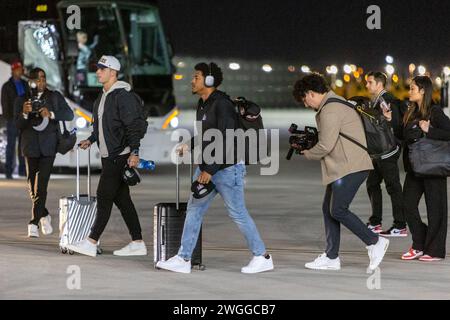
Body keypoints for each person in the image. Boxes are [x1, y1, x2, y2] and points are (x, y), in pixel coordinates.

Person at [156, 62, 274, 274]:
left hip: (227, 169)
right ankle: (183, 259)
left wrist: (209, 171)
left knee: (237, 213)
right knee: (194, 209)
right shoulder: (204, 104)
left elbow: (227, 139)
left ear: (209, 81)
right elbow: (207, 134)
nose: (192, 81)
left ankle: (262, 256)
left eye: (197, 77)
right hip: (209, 167)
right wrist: (189, 145)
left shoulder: (222, 104)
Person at [292, 73, 389, 272]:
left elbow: (326, 145)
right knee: (328, 209)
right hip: (342, 166)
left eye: (304, 99)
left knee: (337, 209)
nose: (306, 104)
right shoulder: (335, 103)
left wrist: (308, 153)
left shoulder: (330, 109)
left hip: (350, 167)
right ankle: (331, 257)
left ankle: (375, 242)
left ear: (311, 93)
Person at [68, 55, 147, 257]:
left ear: (113, 72)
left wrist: (135, 152)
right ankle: (138, 242)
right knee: (123, 200)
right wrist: (91, 139)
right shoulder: (102, 97)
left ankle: (91, 241)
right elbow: (102, 127)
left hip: (118, 155)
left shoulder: (123, 96)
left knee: (104, 197)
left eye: (102, 69)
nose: (98, 72)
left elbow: (133, 127)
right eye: (98, 69)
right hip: (108, 155)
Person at [14, 67, 74, 237]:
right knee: (31, 187)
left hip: (48, 147)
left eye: (43, 78)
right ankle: (44, 214)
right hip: (30, 147)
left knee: (41, 186)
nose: (41, 82)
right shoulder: (21, 100)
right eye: (38, 79)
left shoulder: (54, 96)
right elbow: (17, 125)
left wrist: (52, 113)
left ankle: (33, 222)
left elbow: (69, 115)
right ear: (30, 81)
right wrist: (25, 114)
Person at [400, 75, 450, 262]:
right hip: (415, 168)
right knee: (406, 205)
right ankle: (420, 243)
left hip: (433, 167)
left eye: (413, 88)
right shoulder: (410, 111)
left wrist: (431, 130)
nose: (409, 91)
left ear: (423, 91)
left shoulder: (435, 112)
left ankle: (435, 250)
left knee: (435, 209)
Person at [365, 71, 407, 236]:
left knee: (393, 187)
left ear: (379, 84)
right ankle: (376, 222)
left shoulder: (386, 100)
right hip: (379, 152)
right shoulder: (376, 100)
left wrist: (388, 119)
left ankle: (400, 225)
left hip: (388, 152)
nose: (367, 85)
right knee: (372, 184)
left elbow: (394, 123)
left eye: (369, 82)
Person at [1, 61, 27, 179]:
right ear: (13, 71)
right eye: (18, 69)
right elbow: (5, 104)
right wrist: (10, 119)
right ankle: (8, 172)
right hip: (12, 121)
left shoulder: (25, 84)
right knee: (10, 147)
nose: (20, 71)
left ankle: (22, 171)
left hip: (24, 120)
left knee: (23, 146)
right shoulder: (7, 86)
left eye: (21, 69)